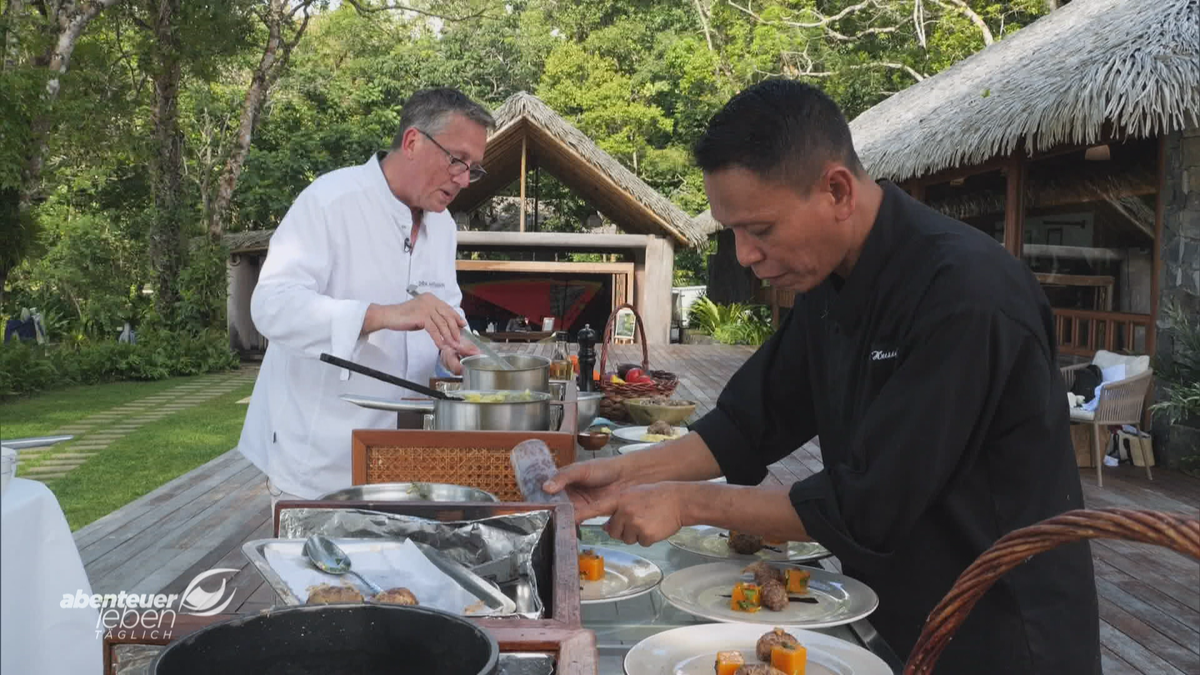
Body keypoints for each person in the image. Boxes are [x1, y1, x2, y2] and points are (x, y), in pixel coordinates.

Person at [545, 80, 1101, 673]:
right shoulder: (830, 280)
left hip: (1001, 631)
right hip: (891, 614)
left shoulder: (967, 294)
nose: (745, 256)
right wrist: (622, 476)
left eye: (760, 229)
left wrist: (682, 502)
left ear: (836, 190)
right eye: (733, 230)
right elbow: (748, 423)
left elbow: (866, 506)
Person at [237, 87, 492, 506]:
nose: (464, 179)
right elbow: (271, 306)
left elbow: (444, 310)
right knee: (322, 574)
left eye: (473, 168)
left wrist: (451, 350)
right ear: (412, 142)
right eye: (457, 160)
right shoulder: (330, 201)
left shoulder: (443, 227)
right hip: (318, 459)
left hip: (401, 459)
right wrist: (382, 315)